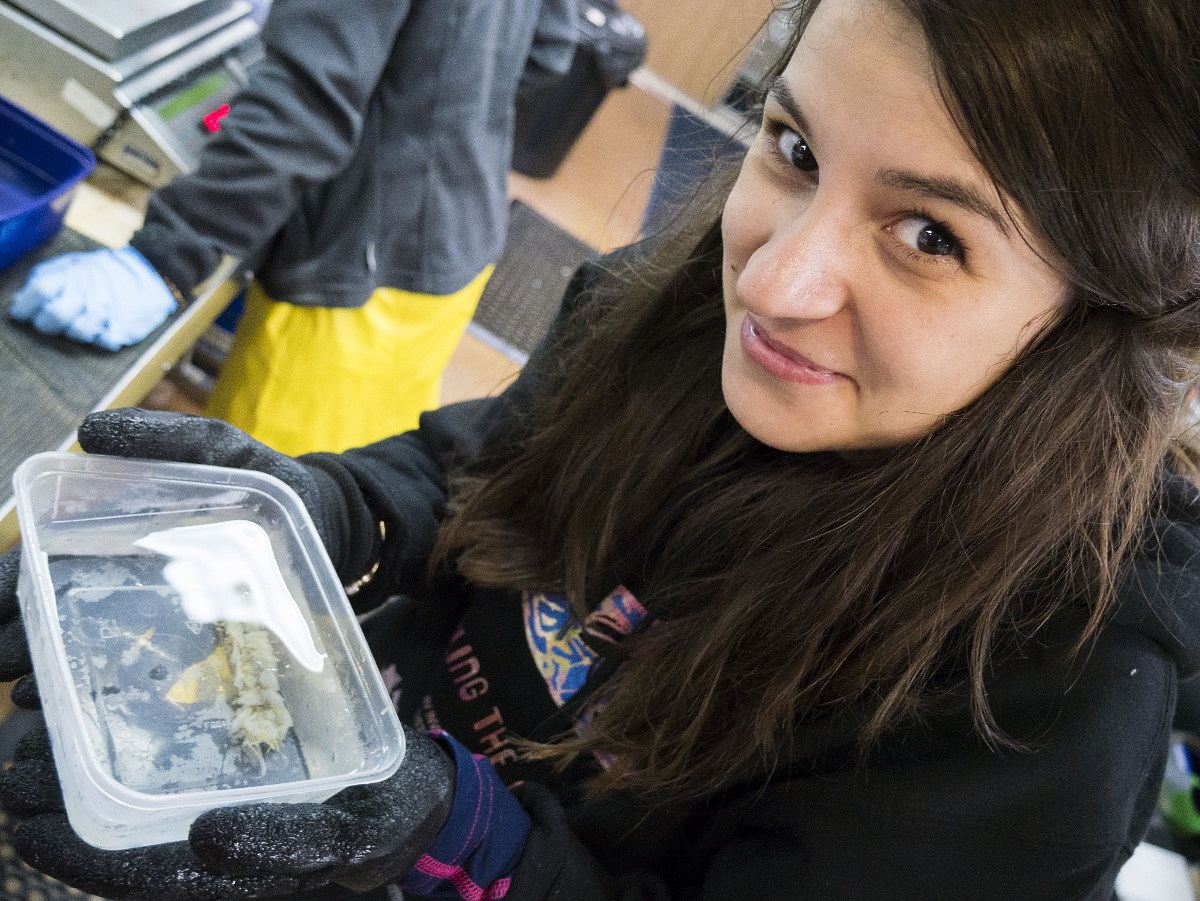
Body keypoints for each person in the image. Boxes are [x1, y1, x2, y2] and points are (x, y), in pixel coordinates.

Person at [1, 0, 1199, 897]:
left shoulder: (1047, 702)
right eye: (793, 149)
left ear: (1103, 320)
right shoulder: (678, 312)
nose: (775, 282)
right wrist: (328, 519)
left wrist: (457, 839)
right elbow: (481, 472)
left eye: (929, 234)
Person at [7, 0, 579, 456]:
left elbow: (307, 106)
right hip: (458, 241)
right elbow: (550, 50)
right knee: (359, 478)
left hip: (349, 275)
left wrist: (167, 259)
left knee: (251, 519)